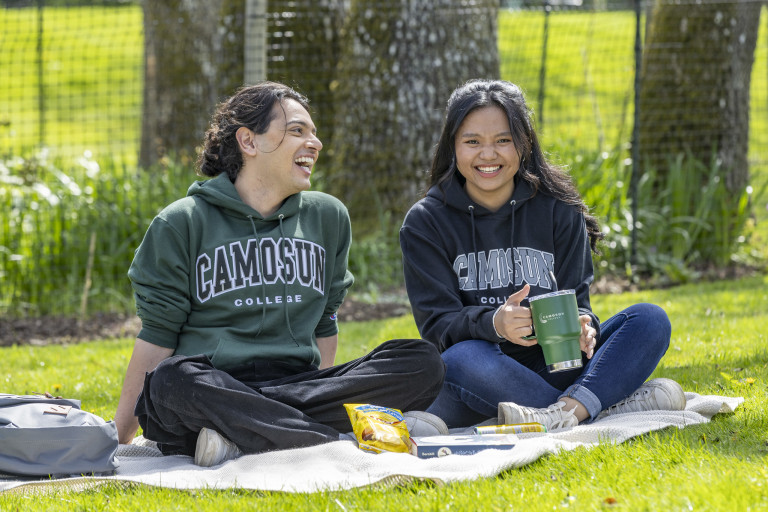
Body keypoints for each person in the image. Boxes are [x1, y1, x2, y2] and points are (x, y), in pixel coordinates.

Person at [114, 81, 445, 466]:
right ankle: (338, 437)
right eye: (297, 131)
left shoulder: (328, 216)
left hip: (297, 384)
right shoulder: (181, 222)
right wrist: (118, 436)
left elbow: (325, 321)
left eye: (314, 133)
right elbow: (157, 335)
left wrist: (326, 386)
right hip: (212, 383)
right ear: (249, 142)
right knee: (171, 381)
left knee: (421, 360)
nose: (315, 143)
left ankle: (242, 436)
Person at [399, 79, 685, 430]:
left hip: (561, 365)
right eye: (472, 142)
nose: (488, 155)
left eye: (503, 141)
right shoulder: (426, 222)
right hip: (485, 371)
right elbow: (437, 327)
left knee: (649, 319)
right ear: (453, 146)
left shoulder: (559, 210)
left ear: (524, 144)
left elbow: (578, 302)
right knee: (461, 358)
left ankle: (557, 413)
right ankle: (595, 405)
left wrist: (585, 327)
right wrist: (495, 323)